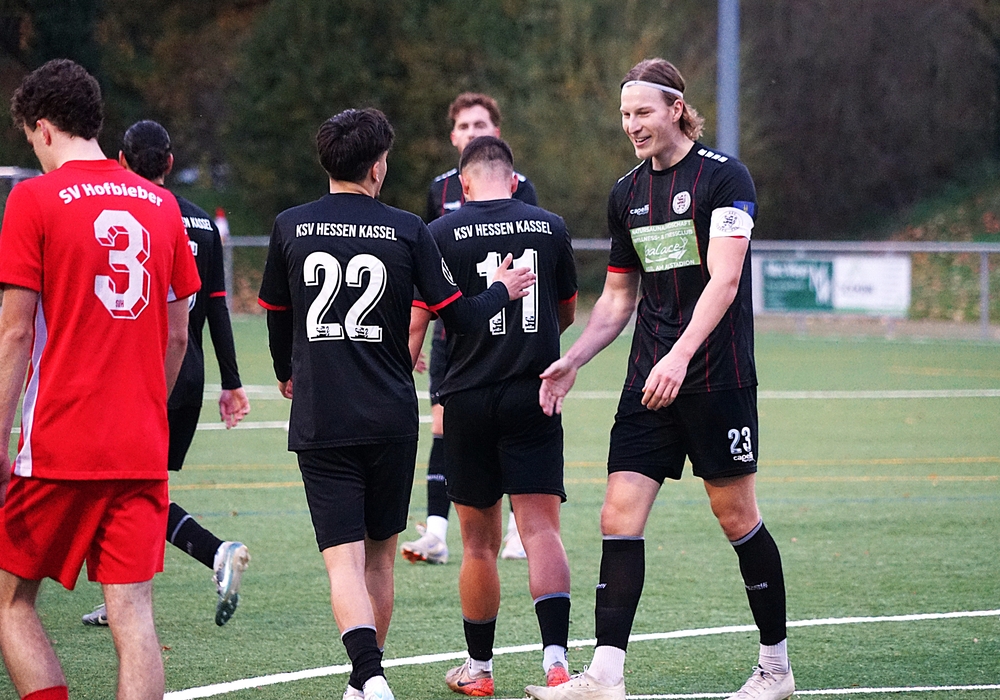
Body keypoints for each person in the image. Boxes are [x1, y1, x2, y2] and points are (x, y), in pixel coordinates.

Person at [524, 58, 793, 700]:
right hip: (650, 378)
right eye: (625, 114)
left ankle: (776, 669)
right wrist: (574, 358)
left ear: (676, 109)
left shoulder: (724, 178)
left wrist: (681, 355)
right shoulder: (626, 193)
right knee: (618, 515)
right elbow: (619, 299)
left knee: (735, 515)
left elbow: (725, 280)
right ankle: (605, 675)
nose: (632, 125)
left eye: (643, 112)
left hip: (716, 376)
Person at [257, 108, 534, 700]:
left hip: (323, 414)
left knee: (342, 561)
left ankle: (368, 677)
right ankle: (365, 678)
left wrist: (286, 372)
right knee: (379, 558)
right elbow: (461, 317)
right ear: (377, 167)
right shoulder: (408, 229)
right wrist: (501, 290)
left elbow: (276, 317)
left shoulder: (289, 225)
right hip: (389, 414)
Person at [0, 59, 200, 700]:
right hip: (140, 446)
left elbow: (16, 333)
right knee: (133, 616)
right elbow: (178, 335)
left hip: (59, 443)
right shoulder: (163, 205)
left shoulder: (32, 199)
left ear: (42, 128)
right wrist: (148, 411)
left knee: (10, 600)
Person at [411, 135, 578, 694]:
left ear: (462, 185)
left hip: (466, 399)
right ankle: (556, 663)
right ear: (512, 180)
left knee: (478, 544)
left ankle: (480, 670)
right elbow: (565, 311)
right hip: (534, 393)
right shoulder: (549, 226)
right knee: (540, 530)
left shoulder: (439, 233)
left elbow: (422, 320)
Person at [80, 120, 252, 629]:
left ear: (121, 160)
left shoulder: (123, 213)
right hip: (188, 375)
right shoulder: (199, 222)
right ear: (170, 163)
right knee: (139, 490)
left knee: (122, 490)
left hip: (138, 373)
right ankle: (124, 596)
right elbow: (217, 307)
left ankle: (213, 552)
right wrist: (231, 381)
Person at [402, 92, 537, 565]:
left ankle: (519, 530)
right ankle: (436, 534)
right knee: (443, 426)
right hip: (453, 333)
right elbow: (424, 266)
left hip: (507, 330)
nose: (472, 132)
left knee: (510, 427)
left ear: (496, 132)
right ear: (452, 135)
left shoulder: (521, 188)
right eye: (464, 125)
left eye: (480, 124)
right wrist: (418, 328)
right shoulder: (440, 189)